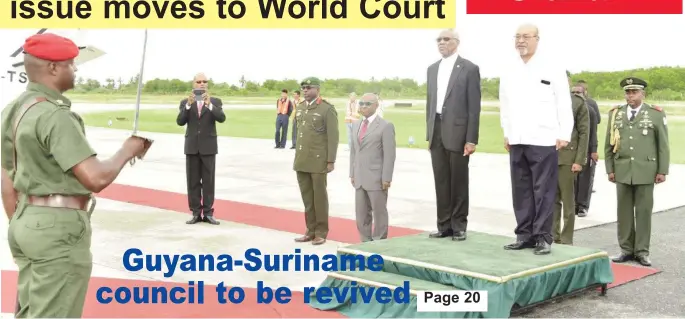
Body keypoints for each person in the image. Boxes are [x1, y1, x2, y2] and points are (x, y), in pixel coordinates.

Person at [0, 33, 149, 318]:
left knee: (32, 311)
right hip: (57, 229)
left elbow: (7, 176)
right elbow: (95, 178)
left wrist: (26, 221)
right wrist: (127, 150)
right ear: (53, 68)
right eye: (70, 64)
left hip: (25, 219)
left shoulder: (13, 110)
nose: (76, 69)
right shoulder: (54, 115)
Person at [499, 24, 574, 255]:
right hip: (518, 138)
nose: (521, 41)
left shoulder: (551, 66)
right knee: (521, 190)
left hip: (543, 137)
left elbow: (563, 101)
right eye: (517, 36)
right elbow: (505, 104)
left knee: (543, 190)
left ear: (537, 39)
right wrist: (507, 131)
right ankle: (524, 235)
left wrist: (564, 133)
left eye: (526, 37)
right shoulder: (510, 68)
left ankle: (543, 237)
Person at [605, 77, 669, 267]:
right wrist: (610, 168)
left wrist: (662, 170)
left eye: (634, 92)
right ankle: (626, 249)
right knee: (623, 212)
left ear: (643, 94)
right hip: (622, 170)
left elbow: (663, 145)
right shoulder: (616, 114)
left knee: (643, 212)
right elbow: (609, 143)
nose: (630, 96)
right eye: (627, 92)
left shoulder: (655, 114)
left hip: (646, 170)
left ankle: (642, 251)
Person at [425, 28, 481, 241]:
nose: (441, 42)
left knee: (458, 180)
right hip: (437, 129)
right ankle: (443, 224)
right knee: (440, 179)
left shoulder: (469, 68)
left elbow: (474, 107)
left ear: (456, 42)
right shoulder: (432, 69)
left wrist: (471, 138)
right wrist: (429, 133)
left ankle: (459, 225)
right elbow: (431, 104)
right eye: (438, 39)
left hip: (458, 132)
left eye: (446, 39)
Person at [292, 77, 339, 245]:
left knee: (319, 197)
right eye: (303, 87)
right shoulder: (301, 107)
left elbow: (333, 137)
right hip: (302, 160)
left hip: (318, 160)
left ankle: (321, 231)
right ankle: (310, 230)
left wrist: (330, 160)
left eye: (308, 87)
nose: (305, 90)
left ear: (317, 89)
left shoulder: (326, 109)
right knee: (307, 198)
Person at [176, 73, 226, 225]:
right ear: (194, 84)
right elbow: (180, 121)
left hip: (208, 147)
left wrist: (209, 105)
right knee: (193, 181)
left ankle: (209, 213)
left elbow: (221, 118)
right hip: (191, 147)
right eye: (199, 81)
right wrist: (188, 105)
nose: (202, 84)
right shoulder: (185, 102)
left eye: (205, 81)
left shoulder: (215, 101)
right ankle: (196, 213)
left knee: (209, 182)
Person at [349, 93, 396, 242]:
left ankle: (379, 243)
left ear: (376, 106)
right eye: (361, 103)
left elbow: (390, 155)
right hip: (359, 177)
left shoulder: (385, 126)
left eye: (367, 104)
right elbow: (353, 152)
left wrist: (386, 178)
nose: (363, 106)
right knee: (361, 213)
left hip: (377, 178)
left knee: (379, 212)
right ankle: (365, 242)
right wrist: (352, 173)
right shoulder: (356, 125)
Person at [552, 71, 589, 245]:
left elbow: (584, 133)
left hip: (568, 157)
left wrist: (579, 160)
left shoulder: (577, 102)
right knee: (551, 201)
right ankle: (553, 236)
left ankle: (566, 239)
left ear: (568, 81)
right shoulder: (546, 100)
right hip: (548, 156)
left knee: (568, 201)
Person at [574, 80, 600, 217]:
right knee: (573, 178)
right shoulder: (568, 107)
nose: (576, 94)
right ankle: (574, 204)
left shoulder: (590, 107)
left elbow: (594, 128)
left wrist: (594, 150)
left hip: (588, 146)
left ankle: (582, 206)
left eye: (579, 92)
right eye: (574, 92)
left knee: (585, 178)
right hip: (573, 147)